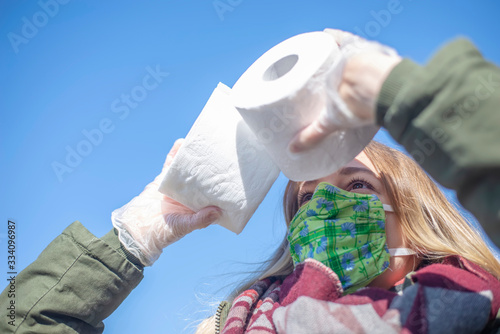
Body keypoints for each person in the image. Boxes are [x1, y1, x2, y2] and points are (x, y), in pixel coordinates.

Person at [1, 29, 499, 333]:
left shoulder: (480, 312)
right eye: (306, 198)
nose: (325, 206)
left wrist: (408, 91)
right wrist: (135, 235)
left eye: (357, 187)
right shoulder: (229, 327)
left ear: (413, 216)